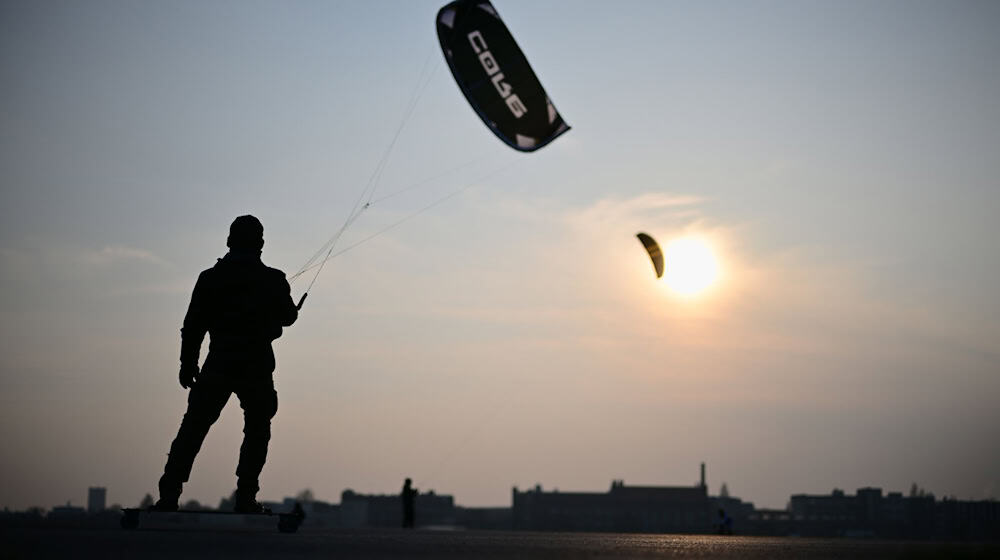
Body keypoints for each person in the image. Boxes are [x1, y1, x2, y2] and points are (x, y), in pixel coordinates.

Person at [152, 215, 299, 513]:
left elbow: (193, 325)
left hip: (218, 362)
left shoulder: (210, 278)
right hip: (256, 367)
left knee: (193, 427)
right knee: (257, 430)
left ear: (229, 241)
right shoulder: (273, 279)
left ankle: (169, 494)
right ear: (260, 244)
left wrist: (187, 363)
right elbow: (288, 317)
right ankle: (246, 497)